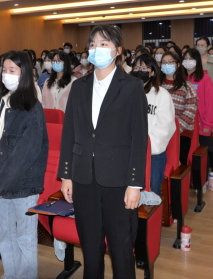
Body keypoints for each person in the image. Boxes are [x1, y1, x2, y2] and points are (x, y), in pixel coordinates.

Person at [59, 25, 148, 278]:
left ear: (118, 51)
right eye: (93, 44)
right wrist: (66, 175)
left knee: (121, 248)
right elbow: (69, 133)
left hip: (118, 180)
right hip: (83, 177)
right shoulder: (79, 86)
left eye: (104, 44)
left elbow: (139, 139)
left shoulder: (132, 86)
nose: (97, 49)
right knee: (90, 246)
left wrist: (135, 184)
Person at [0, 50, 49, 279]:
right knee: (6, 235)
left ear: (24, 73)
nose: (7, 75)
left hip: (22, 185)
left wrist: (2, 183)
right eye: (4, 70)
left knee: (25, 238)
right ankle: (11, 274)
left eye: (12, 70)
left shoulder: (31, 108)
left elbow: (27, 153)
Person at [131, 54, 175, 195]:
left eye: (144, 68)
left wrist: (146, 144)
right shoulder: (126, 93)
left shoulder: (162, 94)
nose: (139, 71)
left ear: (152, 72)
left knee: (151, 192)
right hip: (128, 151)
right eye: (136, 68)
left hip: (152, 152)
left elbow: (166, 126)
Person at [182, 49, 213, 170]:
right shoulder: (181, 79)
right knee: (185, 153)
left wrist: (208, 123)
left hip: (202, 124)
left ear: (197, 61)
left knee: (201, 154)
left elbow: (211, 103)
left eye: (191, 59)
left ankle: (205, 177)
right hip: (184, 124)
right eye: (185, 59)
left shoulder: (204, 79)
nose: (188, 61)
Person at [160, 52, 198, 165]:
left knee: (179, 164)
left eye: (170, 62)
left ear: (177, 64)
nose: (167, 65)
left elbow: (190, 112)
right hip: (160, 133)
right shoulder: (157, 85)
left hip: (181, 132)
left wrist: (174, 130)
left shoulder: (187, 86)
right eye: (164, 62)